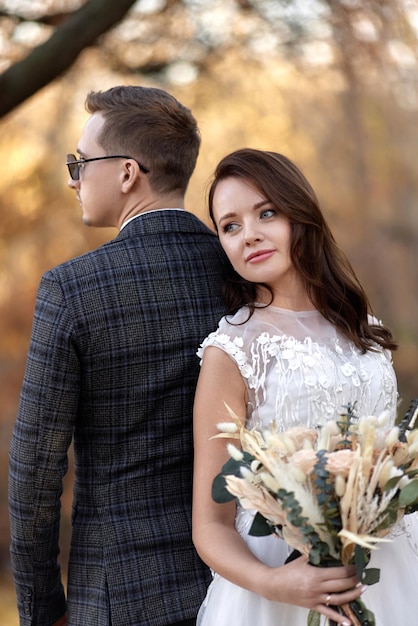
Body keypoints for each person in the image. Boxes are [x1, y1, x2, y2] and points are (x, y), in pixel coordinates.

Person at [8, 85, 229, 626]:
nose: (72, 178)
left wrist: (42, 608)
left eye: (81, 162)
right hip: (242, 584)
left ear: (128, 172)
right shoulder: (244, 273)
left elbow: (35, 470)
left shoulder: (73, 289)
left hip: (118, 597)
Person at [192, 148, 418, 626]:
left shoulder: (364, 329)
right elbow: (209, 525)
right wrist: (277, 584)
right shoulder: (231, 351)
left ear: (300, 215)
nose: (248, 234)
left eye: (266, 213)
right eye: (229, 226)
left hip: (391, 567)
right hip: (281, 585)